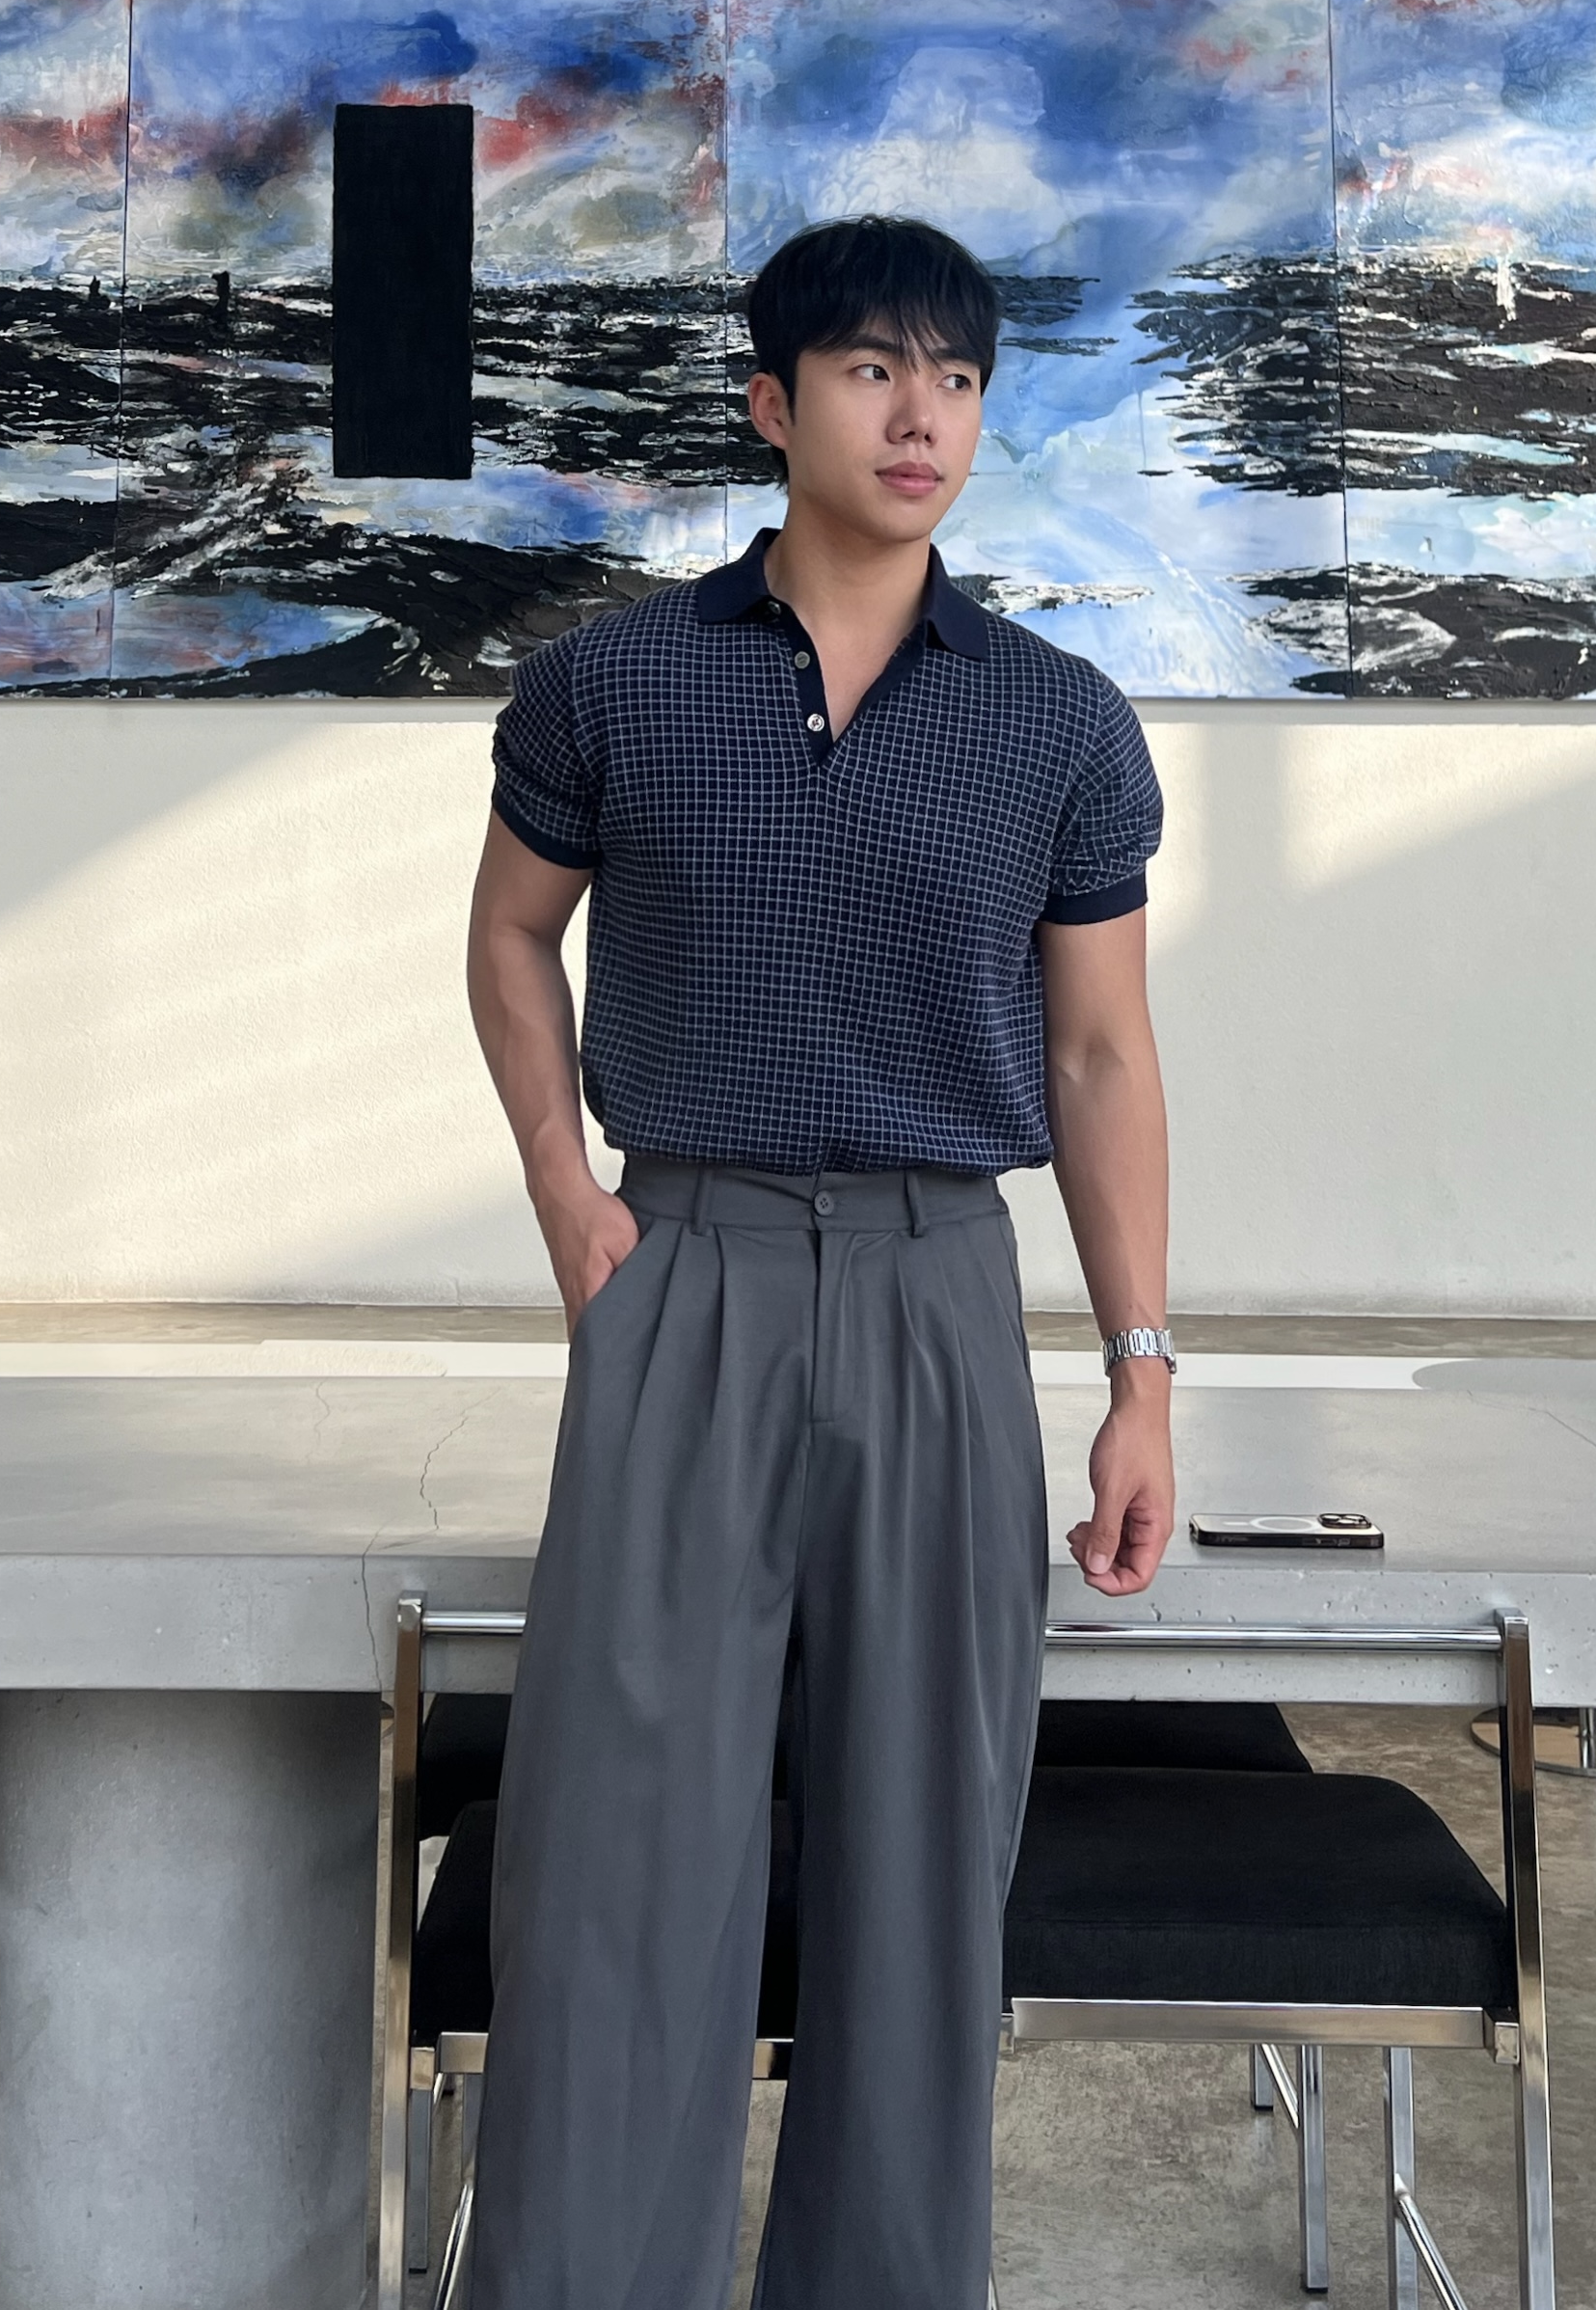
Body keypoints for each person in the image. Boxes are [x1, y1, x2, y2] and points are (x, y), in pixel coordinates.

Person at [464, 213, 1177, 2310]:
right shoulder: (615, 680)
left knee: (922, 1868)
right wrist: (565, 1188)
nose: (920, 413)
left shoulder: (1057, 719)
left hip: (942, 1285)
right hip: (680, 1267)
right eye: (872, 368)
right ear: (773, 404)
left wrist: (1139, 1367)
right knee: (618, 1862)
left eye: (954, 376)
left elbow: (1102, 1052)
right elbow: (510, 933)